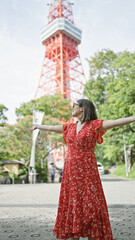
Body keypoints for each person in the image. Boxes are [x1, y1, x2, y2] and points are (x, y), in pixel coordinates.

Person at [30, 99, 135, 240]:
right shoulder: (70, 127)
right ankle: (75, 234)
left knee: (90, 199)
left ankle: (93, 234)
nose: (72, 108)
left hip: (87, 169)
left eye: (75, 106)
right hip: (71, 171)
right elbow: (54, 127)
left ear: (83, 108)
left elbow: (117, 121)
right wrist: (38, 126)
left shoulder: (94, 125)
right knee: (73, 200)